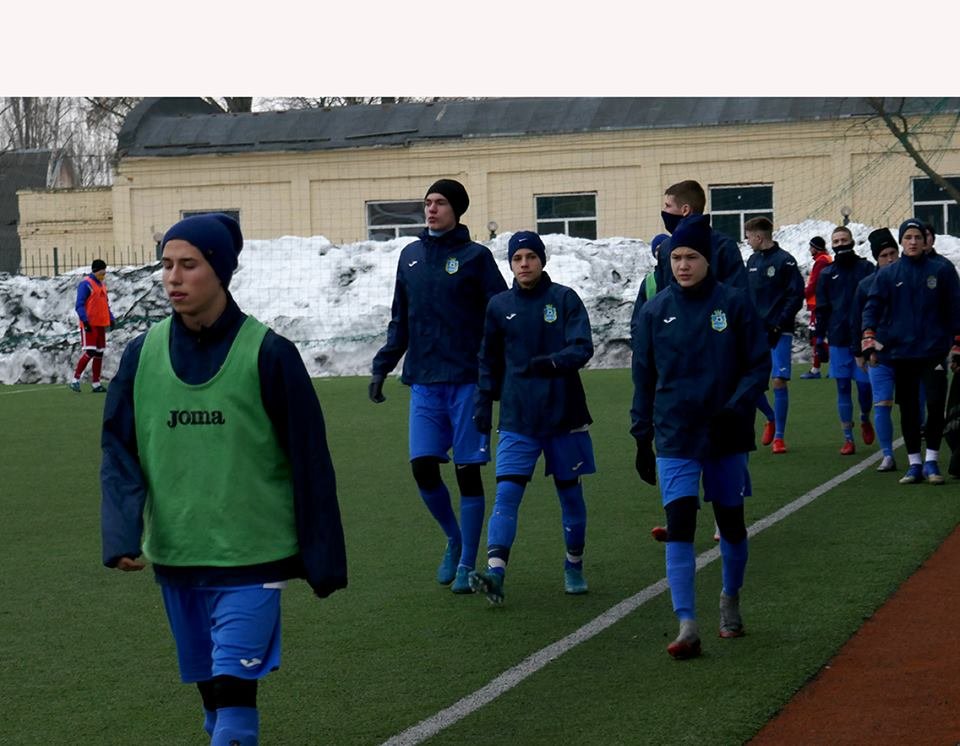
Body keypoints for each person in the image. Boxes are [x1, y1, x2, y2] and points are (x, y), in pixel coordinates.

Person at [100, 213, 347, 745]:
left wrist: (323, 556)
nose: (173, 277)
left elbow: (310, 461)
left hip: (252, 560)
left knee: (234, 715)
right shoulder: (142, 354)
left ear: (220, 271)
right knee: (214, 708)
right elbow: (119, 449)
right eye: (167, 264)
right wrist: (120, 533)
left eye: (188, 264)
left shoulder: (270, 353)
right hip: (177, 559)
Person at [631, 214, 770, 659]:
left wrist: (736, 407)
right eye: (676, 258)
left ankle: (730, 598)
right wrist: (641, 436)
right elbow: (643, 378)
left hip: (726, 432)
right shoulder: (654, 311)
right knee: (680, 525)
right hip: (675, 434)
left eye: (691, 257)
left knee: (730, 523)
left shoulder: (734, 304)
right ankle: (687, 623)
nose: (683, 265)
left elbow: (758, 365)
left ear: (707, 259)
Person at [369, 179, 507, 593]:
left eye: (440, 203)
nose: (431, 209)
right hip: (424, 380)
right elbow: (401, 318)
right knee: (423, 468)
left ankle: (466, 564)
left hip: (466, 382)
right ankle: (455, 537)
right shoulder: (410, 256)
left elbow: (501, 315)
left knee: (467, 474)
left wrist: (496, 372)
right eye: (428, 203)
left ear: (457, 210)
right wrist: (382, 365)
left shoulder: (476, 257)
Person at [468, 231, 595, 605]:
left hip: (564, 415)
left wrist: (553, 363)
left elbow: (583, 347)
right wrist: (483, 401)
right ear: (510, 264)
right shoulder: (499, 306)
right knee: (507, 494)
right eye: (517, 258)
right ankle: (495, 573)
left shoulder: (565, 299)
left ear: (542, 260)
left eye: (530, 257)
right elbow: (488, 359)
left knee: (570, 495)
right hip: (518, 417)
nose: (524, 264)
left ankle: (573, 565)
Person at [862, 218, 960, 484]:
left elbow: (955, 308)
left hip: (933, 351)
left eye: (918, 237)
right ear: (902, 242)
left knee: (935, 404)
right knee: (909, 409)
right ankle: (914, 464)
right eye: (908, 237)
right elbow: (872, 307)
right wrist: (868, 336)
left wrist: (957, 343)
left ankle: (932, 462)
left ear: (925, 240)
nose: (913, 242)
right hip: (901, 353)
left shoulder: (942, 270)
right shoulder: (888, 274)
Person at [744, 216, 805, 454]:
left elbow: (795, 296)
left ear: (759, 237)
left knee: (778, 380)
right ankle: (770, 417)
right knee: (750, 381)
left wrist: (779, 324)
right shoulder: (752, 261)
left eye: (749, 237)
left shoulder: (785, 261)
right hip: (755, 332)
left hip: (780, 331)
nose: (747, 241)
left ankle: (779, 436)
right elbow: (747, 295)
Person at [814, 226, 875, 455]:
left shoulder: (866, 268)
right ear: (832, 245)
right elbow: (822, 309)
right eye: (836, 241)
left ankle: (864, 417)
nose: (840, 244)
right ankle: (848, 438)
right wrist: (819, 339)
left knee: (865, 387)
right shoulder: (827, 274)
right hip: (838, 338)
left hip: (862, 337)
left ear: (852, 241)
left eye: (843, 240)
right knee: (842, 386)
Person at [853, 228, 900, 471]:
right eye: (884, 255)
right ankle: (887, 455)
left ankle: (920, 456)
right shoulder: (865, 286)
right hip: (879, 354)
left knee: (915, 404)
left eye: (893, 253)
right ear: (876, 258)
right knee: (881, 403)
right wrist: (859, 351)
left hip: (910, 353)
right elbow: (857, 320)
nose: (890, 259)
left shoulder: (910, 279)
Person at [655, 180, 749, 294]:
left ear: (685, 210)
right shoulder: (665, 247)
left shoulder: (723, 246)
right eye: (676, 258)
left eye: (668, 206)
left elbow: (737, 295)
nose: (664, 211)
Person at [69, 258, 116, 393]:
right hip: (90, 324)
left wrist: (111, 319)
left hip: (101, 324)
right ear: (95, 271)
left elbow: (105, 305)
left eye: (104, 273)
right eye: (101, 273)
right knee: (90, 351)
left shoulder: (102, 286)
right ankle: (75, 380)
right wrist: (85, 321)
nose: (103, 276)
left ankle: (96, 383)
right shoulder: (86, 284)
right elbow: (79, 305)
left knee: (99, 353)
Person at [800, 236, 833, 379]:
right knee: (823, 336)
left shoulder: (821, 262)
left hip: (819, 304)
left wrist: (801, 294)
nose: (809, 249)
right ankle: (832, 365)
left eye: (811, 247)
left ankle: (816, 369)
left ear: (815, 248)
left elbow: (814, 283)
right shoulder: (827, 259)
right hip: (824, 302)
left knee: (816, 337)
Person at [630, 233, 670, 346]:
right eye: (657, 249)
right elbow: (637, 320)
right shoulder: (649, 282)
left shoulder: (684, 277)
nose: (661, 252)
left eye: (664, 247)